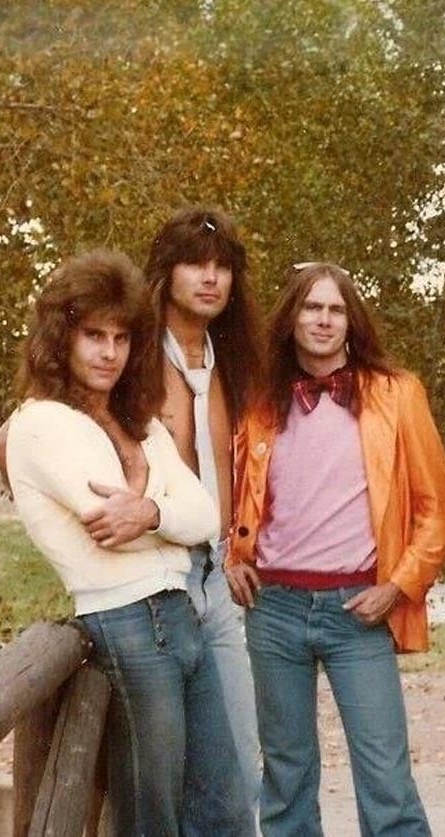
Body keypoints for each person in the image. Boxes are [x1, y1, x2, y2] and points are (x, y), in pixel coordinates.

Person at [226, 263, 445, 837]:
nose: (323, 320)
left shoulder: (396, 394)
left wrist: (399, 585)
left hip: (360, 608)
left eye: (335, 309)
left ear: (351, 320)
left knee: (385, 773)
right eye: (311, 308)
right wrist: (230, 557)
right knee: (286, 771)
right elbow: (228, 493)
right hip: (273, 608)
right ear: (291, 319)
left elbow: (440, 508)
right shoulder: (257, 399)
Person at [4, 250, 223, 835]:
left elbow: (209, 516)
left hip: (180, 615)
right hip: (122, 617)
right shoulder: (43, 422)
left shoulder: (140, 422)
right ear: (61, 338)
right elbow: (110, 532)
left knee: (218, 802)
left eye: (122, 338)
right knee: (154, 810)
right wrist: (166, 526)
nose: (109, 352)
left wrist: (151, 512)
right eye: (93, 335)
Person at [146, 207, 263, 834]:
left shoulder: (236, 360)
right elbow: (15, 440)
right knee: (164, 773)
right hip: (154, 577)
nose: (210, 278)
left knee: (240, 762)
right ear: (166, 272)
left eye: (222, 267)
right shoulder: (132, 352)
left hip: (217, 576)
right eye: (195, 263)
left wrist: (242, 549)